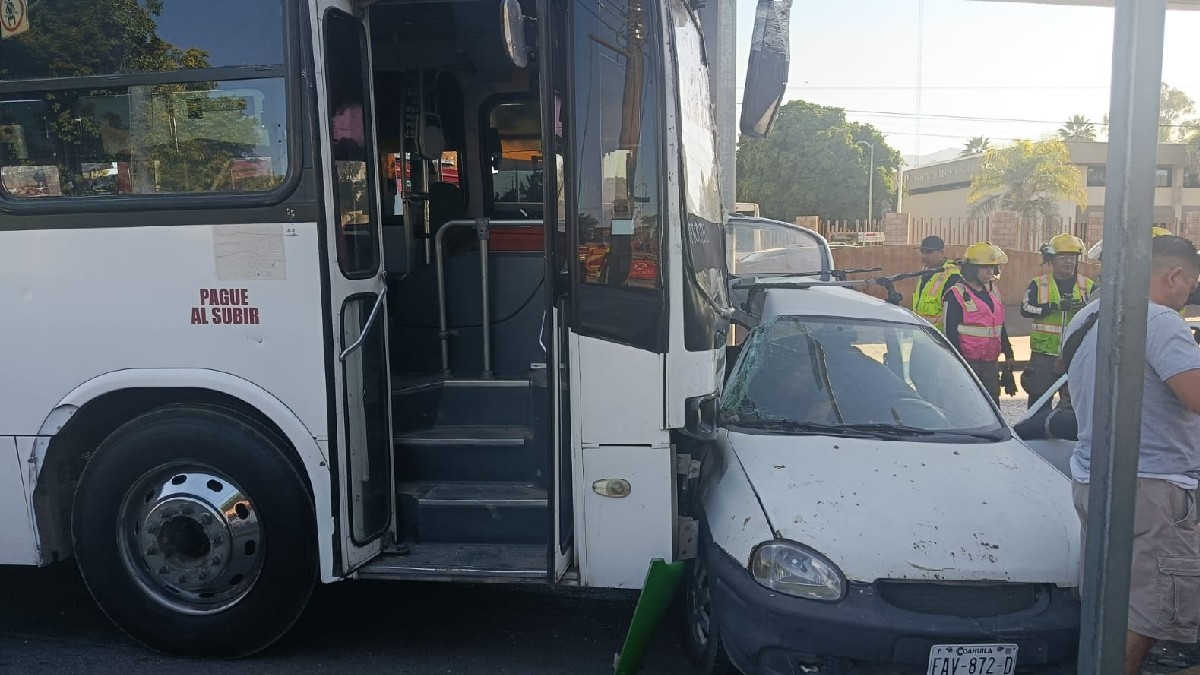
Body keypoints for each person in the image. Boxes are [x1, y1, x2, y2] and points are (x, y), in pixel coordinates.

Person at [1065, 234, 1200, 675]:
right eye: (1190, 285)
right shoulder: (1159, 321)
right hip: (1154, 487)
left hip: (1096, 480)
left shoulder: (1088, 317)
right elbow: (1195, 395)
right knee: (1145, 614)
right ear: (1173, 276)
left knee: (1108, 607)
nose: (1188, 296)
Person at [1020, 233, 1096, 408]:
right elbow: (1025, 309)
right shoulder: (1038, 284)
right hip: (1044, 355)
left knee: (1073, 405)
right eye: (1063, 257)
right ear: (1051, 259)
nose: (1069, 261)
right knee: (1039, 403)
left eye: (1073, 257)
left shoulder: (1088, 286)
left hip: (1075, 354)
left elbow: (1099, 313)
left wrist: (1083, 307)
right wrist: (1052, 307)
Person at [943, 241, 1014, 403]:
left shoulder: (993, 291)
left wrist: (1009, 354)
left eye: (992, 267)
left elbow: (999, 326)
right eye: (985, 267)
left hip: (991, 363)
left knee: (992, 403)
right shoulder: (955, 294)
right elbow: (949, 333)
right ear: (971, 269)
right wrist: (959, 364)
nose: (990, 271)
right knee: (967, 403)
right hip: (968, 362)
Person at [911, 235, 961, 332]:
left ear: (941, 253)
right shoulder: (925, 272)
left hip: (938, 337)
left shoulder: (952, 276)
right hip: (921, 334)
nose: (924, 256)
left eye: (929, 252)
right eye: (922, 252)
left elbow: (953, 315)